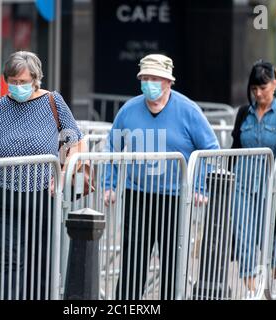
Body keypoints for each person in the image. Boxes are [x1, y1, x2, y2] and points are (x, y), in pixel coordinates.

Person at [103, 54, 220, 300]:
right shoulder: (129, 110)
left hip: (175, 198)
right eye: (145, 78)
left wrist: (200, 185)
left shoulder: (188, 111)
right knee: (132, 266)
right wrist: (109, 184)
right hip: (138, 196)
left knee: (172, 267)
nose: (149, 84)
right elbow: (111, 148)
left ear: (168, 82)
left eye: (154, 79)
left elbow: (210, 149)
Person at [0, 51, 86, 300]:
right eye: (12, 81)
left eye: (23, 82)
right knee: (7, 259)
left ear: (36, 80)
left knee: (40, 261)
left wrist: (63, 173)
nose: (17, 87)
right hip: (5, 195)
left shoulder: (52, 102)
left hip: (41, 195)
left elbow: (76, 142)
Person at [231, 60, 276, 292]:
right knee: (243, 233)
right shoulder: (243, 113)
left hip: (269, 182)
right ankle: (252, 289)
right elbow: (234, 147)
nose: (258, 93)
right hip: (241, 181)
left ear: (274, 84)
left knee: (267, 232)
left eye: (263, 88)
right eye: (254, 89)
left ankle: (273, 278)